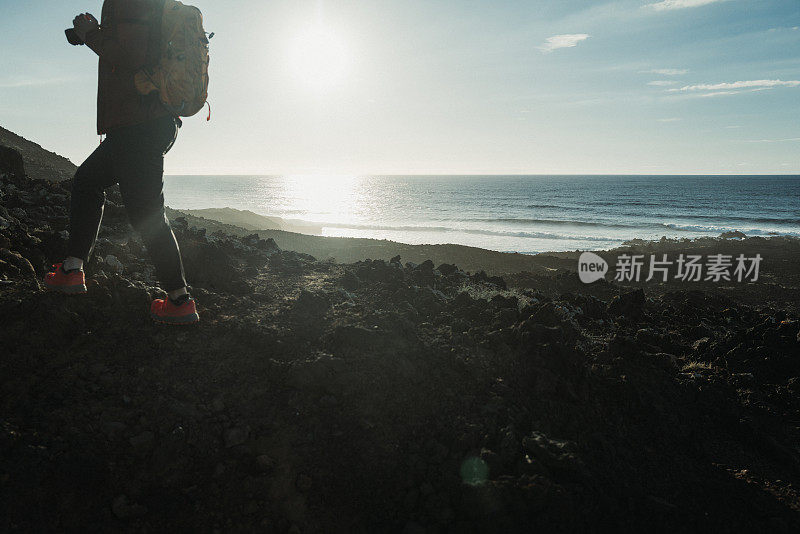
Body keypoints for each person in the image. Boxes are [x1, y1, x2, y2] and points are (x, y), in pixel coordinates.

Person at [44, 0, 199, 325]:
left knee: (145, 212)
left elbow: (131, 55)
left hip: (138, 124)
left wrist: (90, 35)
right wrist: (90, 35)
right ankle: (73, 269)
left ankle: (180, 299)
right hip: (142, 124)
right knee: (88, 182)